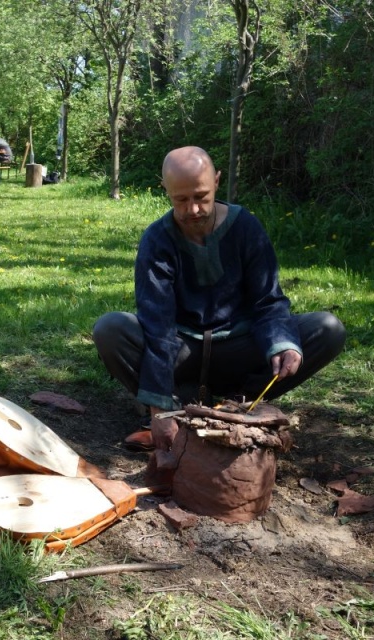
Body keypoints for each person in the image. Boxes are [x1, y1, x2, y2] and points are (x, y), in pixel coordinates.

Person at [92, 146, 346, 451]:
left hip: (240, 347)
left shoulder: (246, 227)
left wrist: (283, 344)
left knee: (327, 329)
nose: (193, 210)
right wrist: (159, 409)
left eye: (201, 197)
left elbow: (269, 301)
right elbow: (156, 325)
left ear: (217, 181)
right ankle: (172, 408)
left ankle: (238, 407)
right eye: (181, 200)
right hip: (182, 349)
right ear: (165, 190)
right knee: (111, 329)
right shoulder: (156, 240)